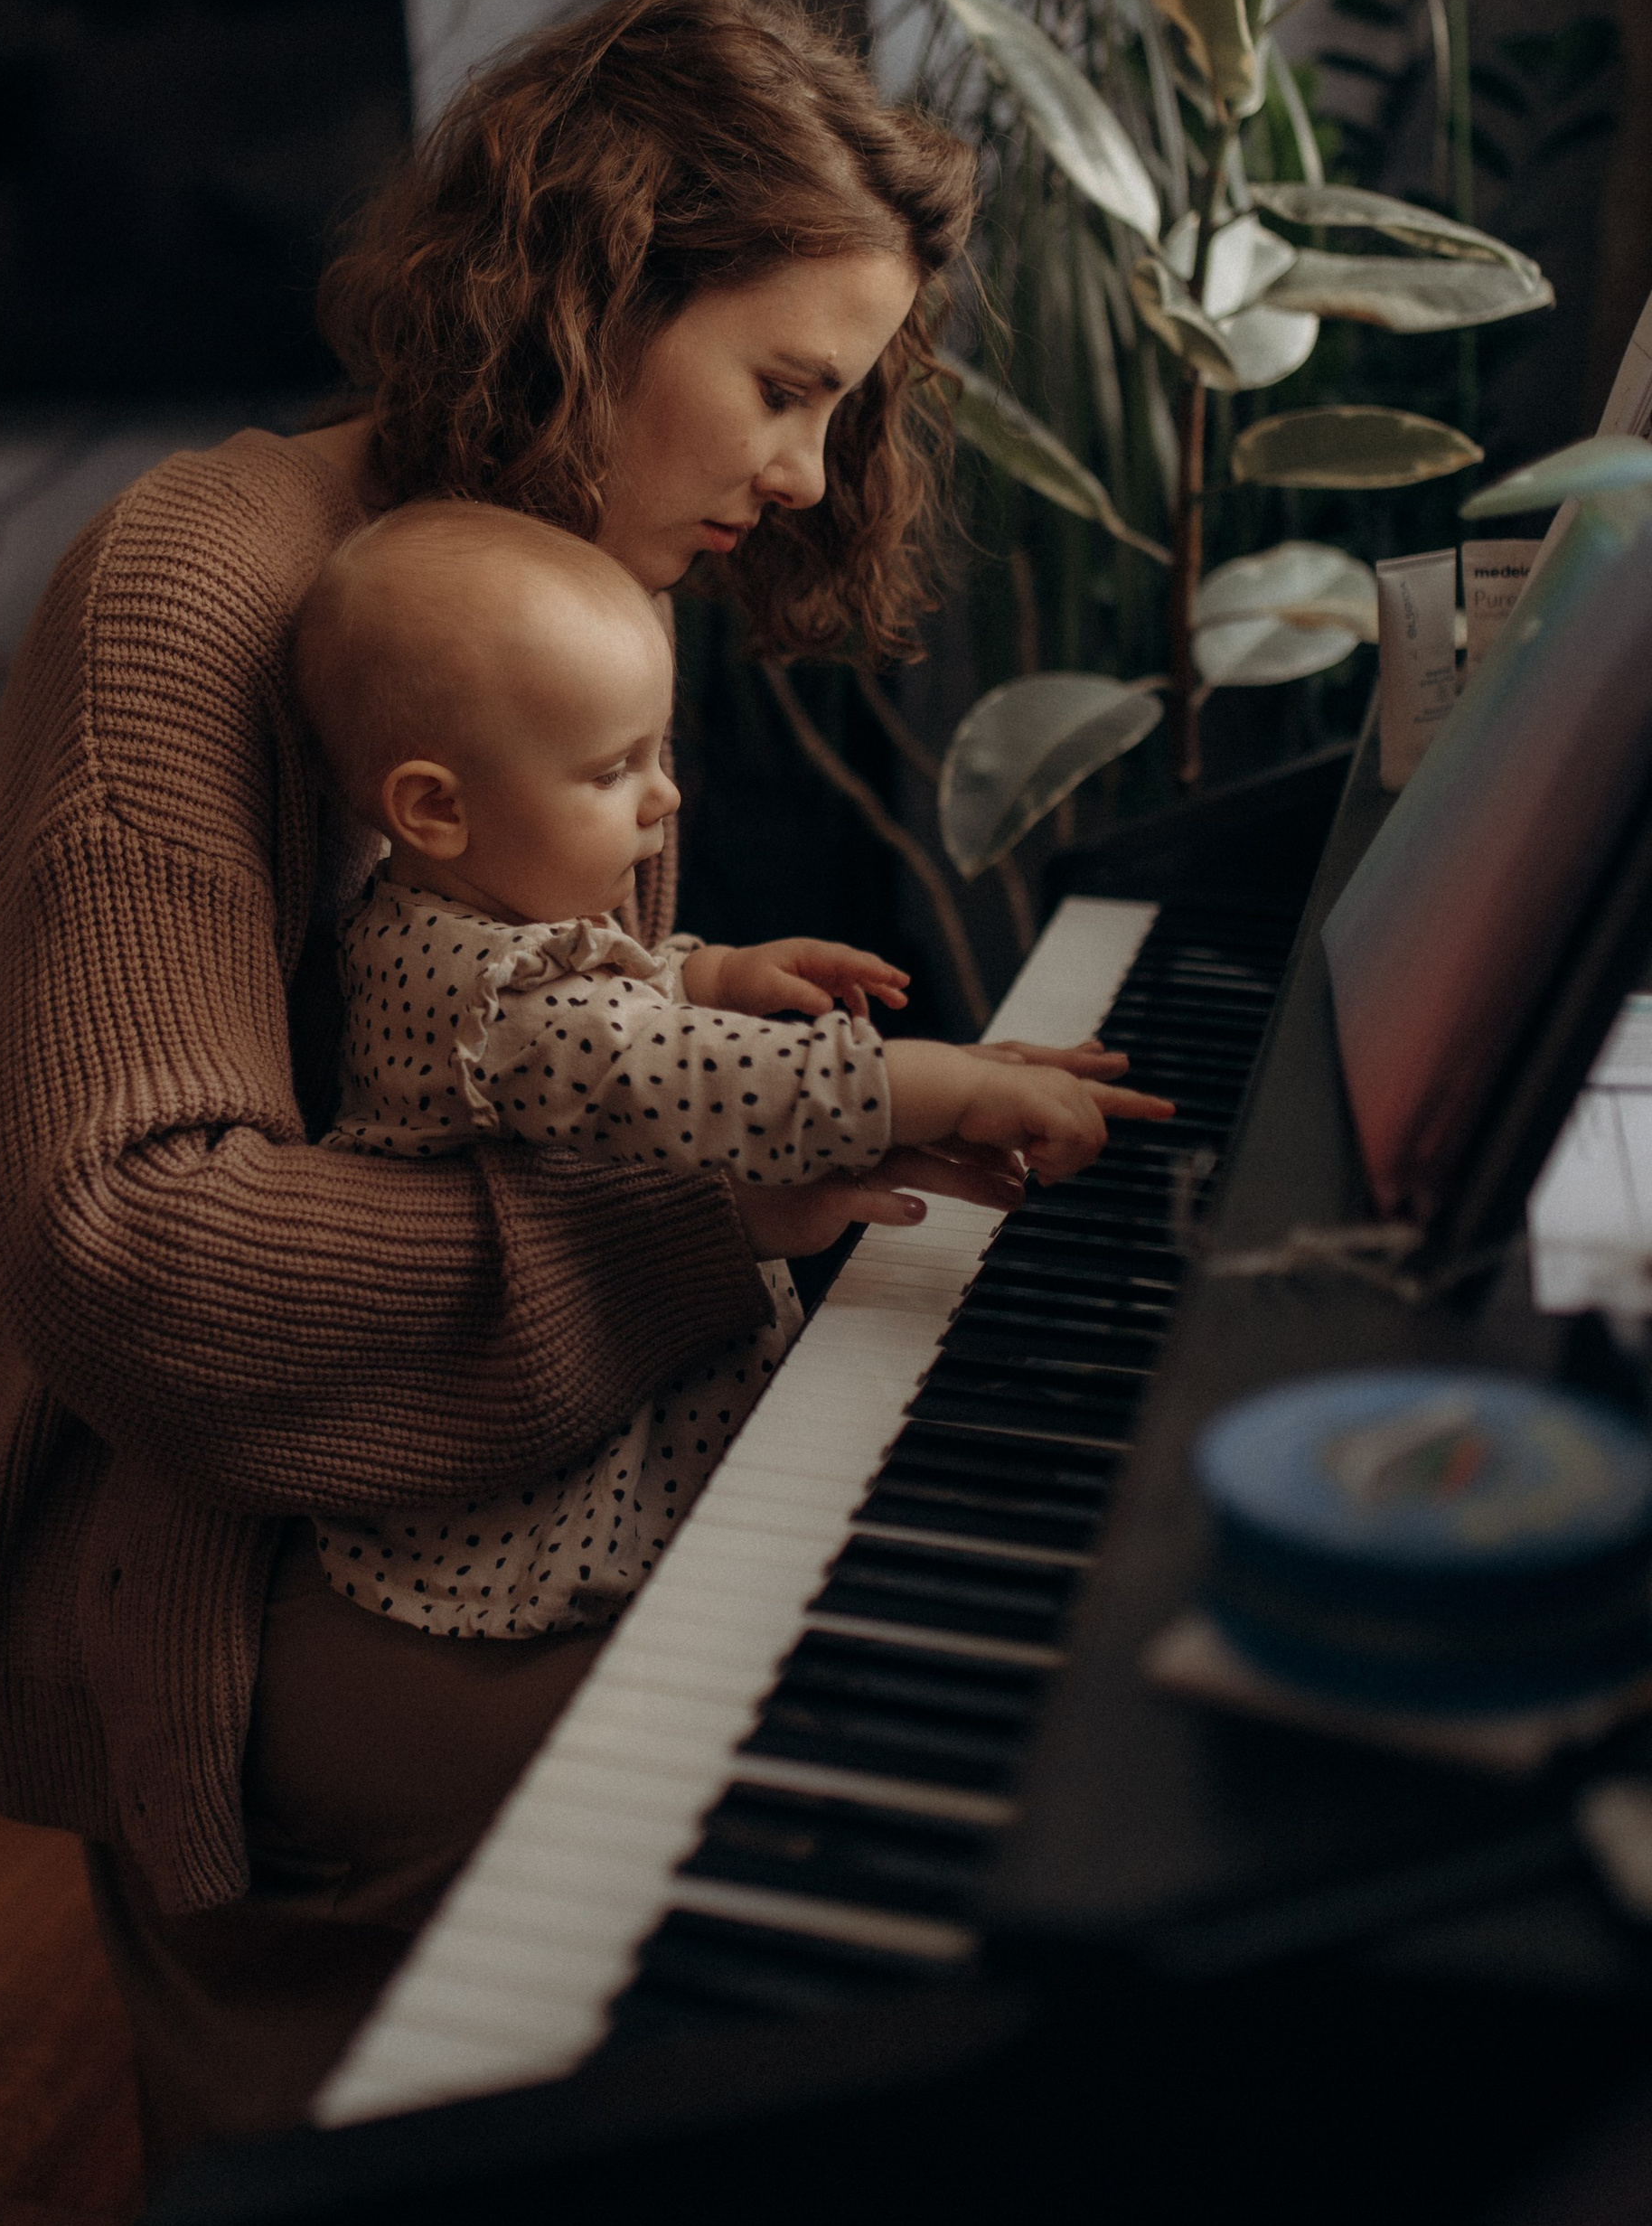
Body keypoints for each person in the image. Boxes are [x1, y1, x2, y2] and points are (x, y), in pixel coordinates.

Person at [0, 0, 1126, 2172]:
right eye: (781, 386)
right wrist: (718, 1208)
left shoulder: (535, 574)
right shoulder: (189, 595)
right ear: (592, 289)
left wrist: (728, 1057)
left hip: (500, 1461)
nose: (804, 467)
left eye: (840, 409)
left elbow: (515, 1046)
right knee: (876, 1796)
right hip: (242, 1561)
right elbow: (128, 1244)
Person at [289, 497, 1166, 1640]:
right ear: (435, 810)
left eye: (660, 752)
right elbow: (658, 1070)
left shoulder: (456, 928)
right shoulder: (493, 1004)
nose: (666, 796)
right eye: (613, 771)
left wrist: (713, 975)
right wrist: (935, 1084)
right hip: (544, 1511)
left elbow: (613, 1008)